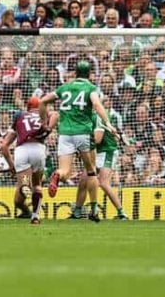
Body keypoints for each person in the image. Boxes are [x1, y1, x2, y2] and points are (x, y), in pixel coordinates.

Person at [39, 60, 116, 222]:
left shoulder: (64, 87)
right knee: (91, 171)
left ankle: (57, 175)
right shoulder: (90, 88)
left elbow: (43, 101)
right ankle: (94, 210)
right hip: (83, 133)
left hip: (65, 134)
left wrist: (44, 122)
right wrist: (108, 123)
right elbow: (96, 104)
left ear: (75, 73)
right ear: (89, 74)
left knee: (65, 171)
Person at [0, 97, 57, 224]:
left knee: (25, 184)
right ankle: (35, 216)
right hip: (38, 149)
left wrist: (11, 166)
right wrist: (49, 127)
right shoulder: (45, 115)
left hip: (22, 151)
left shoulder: (19, 116)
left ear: (28, 107)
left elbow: (4, 146)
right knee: (37, 185)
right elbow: (55, 114)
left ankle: (26, 186)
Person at [71, 95, 129, 220]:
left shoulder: (96, 117)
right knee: (83, 181)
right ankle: (77, 213)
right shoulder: (84, 119)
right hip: (95, 153)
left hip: (107, 151)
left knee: (103, 182)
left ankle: (121, 212)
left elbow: (97, 139)